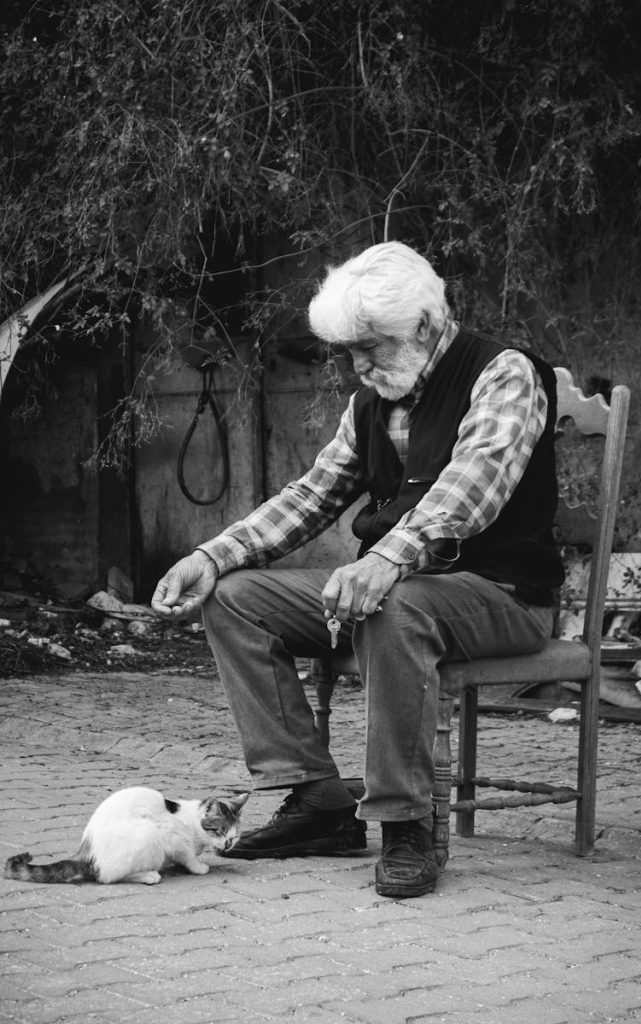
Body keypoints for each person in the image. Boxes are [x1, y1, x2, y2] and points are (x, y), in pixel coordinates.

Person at [151, 241, 565, 899]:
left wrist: (387, 559)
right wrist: (211, 555)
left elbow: (475, 484)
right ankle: (316, 799)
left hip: (501, 595)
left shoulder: (502, 373)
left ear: (426, 326)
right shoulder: (370, 402)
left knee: (393, 603)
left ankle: (406, 823)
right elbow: (312, 495)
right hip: (399, 588)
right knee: (233, 598)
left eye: (371, 346)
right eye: (349, 350)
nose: (358, 365)